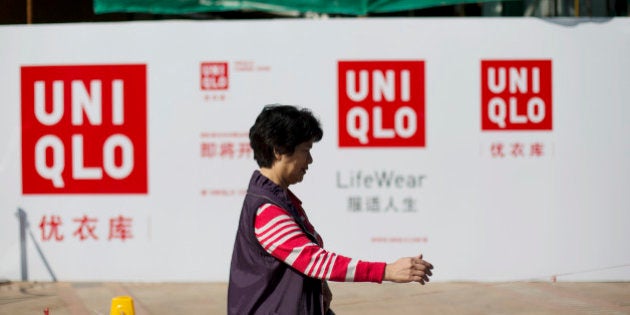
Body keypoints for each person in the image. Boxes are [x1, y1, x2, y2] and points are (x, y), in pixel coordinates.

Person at [228, 104, 434, 315]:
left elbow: (304, 259)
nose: (310, 160)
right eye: (305, 151)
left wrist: (318, 285)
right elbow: (314, 260)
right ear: (279, 150)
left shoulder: (278, 198)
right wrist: (387, 271)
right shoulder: (267, 210)